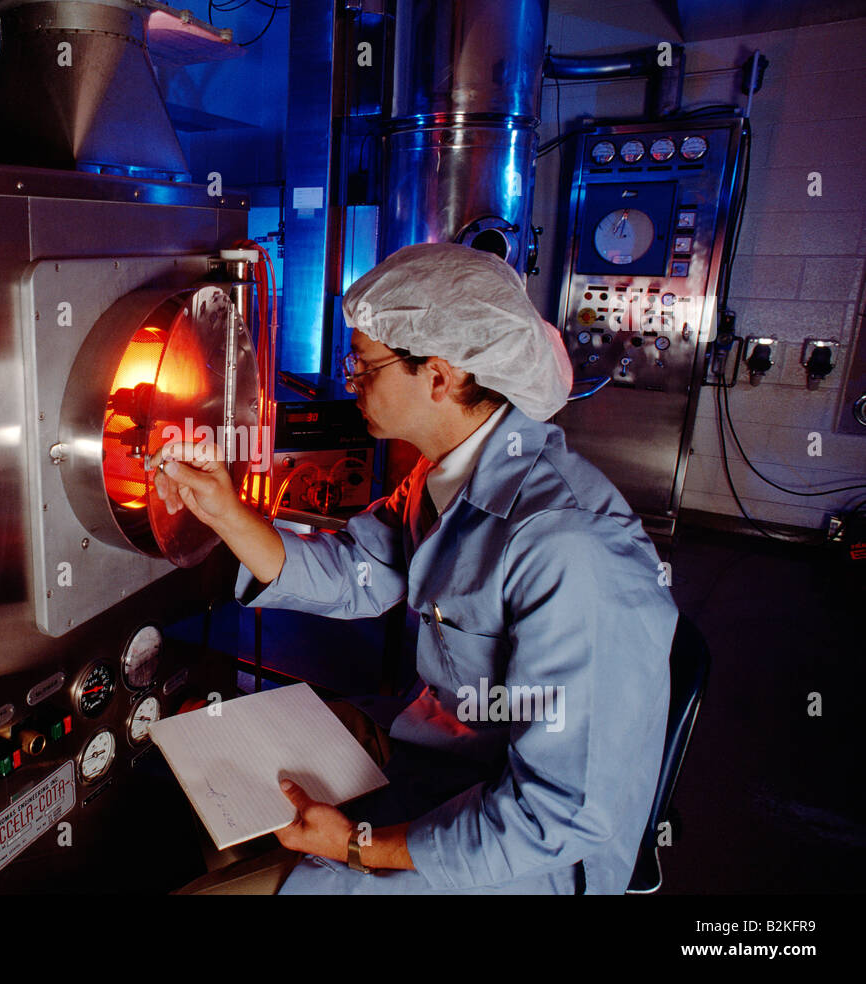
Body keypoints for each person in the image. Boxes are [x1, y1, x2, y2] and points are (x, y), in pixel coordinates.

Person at [152, 242, 677, 894]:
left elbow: (559, 815)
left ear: (440, 375)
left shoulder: (567, 547)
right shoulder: (444, 479)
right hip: (447, 756)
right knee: (224, 788)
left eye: (365, 366)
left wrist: (359, 846)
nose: (352, 383)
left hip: (520, 852)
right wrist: (225, 513)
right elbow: (357, 573)